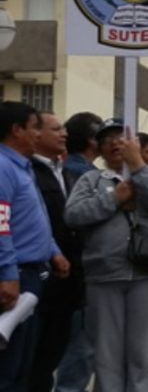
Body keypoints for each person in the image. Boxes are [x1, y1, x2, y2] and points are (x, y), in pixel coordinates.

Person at [64, 119, 148, 392]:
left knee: (144, 355)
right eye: (107, 139)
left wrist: (137, 167)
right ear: (99, 148)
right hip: (104, 275)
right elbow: (74, 215)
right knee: (107, 356)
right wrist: (114, 198)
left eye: (121, 137)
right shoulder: (91, 179)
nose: (115, 143)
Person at [0, 102, 67, 388]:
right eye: (34, 128)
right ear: (17, 130)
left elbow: (32, 217)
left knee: (23, 365)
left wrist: (53, 251)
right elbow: (1, 224)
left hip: (32, 275)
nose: (39, 135)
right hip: (16, 276)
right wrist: (8, 273)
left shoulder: (23, 167)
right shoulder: (3, 167)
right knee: (8, 366)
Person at [28, 111, 82, 392]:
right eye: (56, 128)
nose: (64, 134)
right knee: (27, 360)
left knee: (50, 356)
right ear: (34, 134)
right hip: (38, 278)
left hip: (66, 282)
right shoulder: (25, 171)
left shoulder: (67, 173)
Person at [54, 111, 103, 392]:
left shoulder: (74, 171)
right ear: (91, 140)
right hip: (79, 271)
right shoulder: (80, 175)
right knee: (81, 349)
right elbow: (78, 221)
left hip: (75, 269)